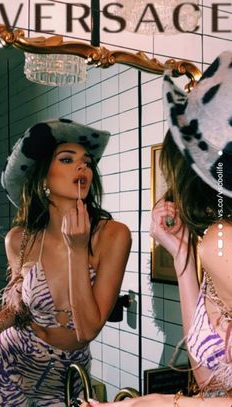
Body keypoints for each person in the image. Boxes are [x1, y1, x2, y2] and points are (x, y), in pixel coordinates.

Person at [87, 51, 232, 406]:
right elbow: (207, 373)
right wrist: (181, 253)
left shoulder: (222, 239)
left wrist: (164, 403)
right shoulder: (214, 242)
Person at [0, 118, 132, 406]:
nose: (82, 166)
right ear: (43, 177)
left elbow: (87, 330)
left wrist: (77, 249)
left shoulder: (113, 235)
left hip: (65, 373)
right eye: (67, 160)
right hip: (9, 359)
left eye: (87, 162)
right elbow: (15, 310)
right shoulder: (19, 238)